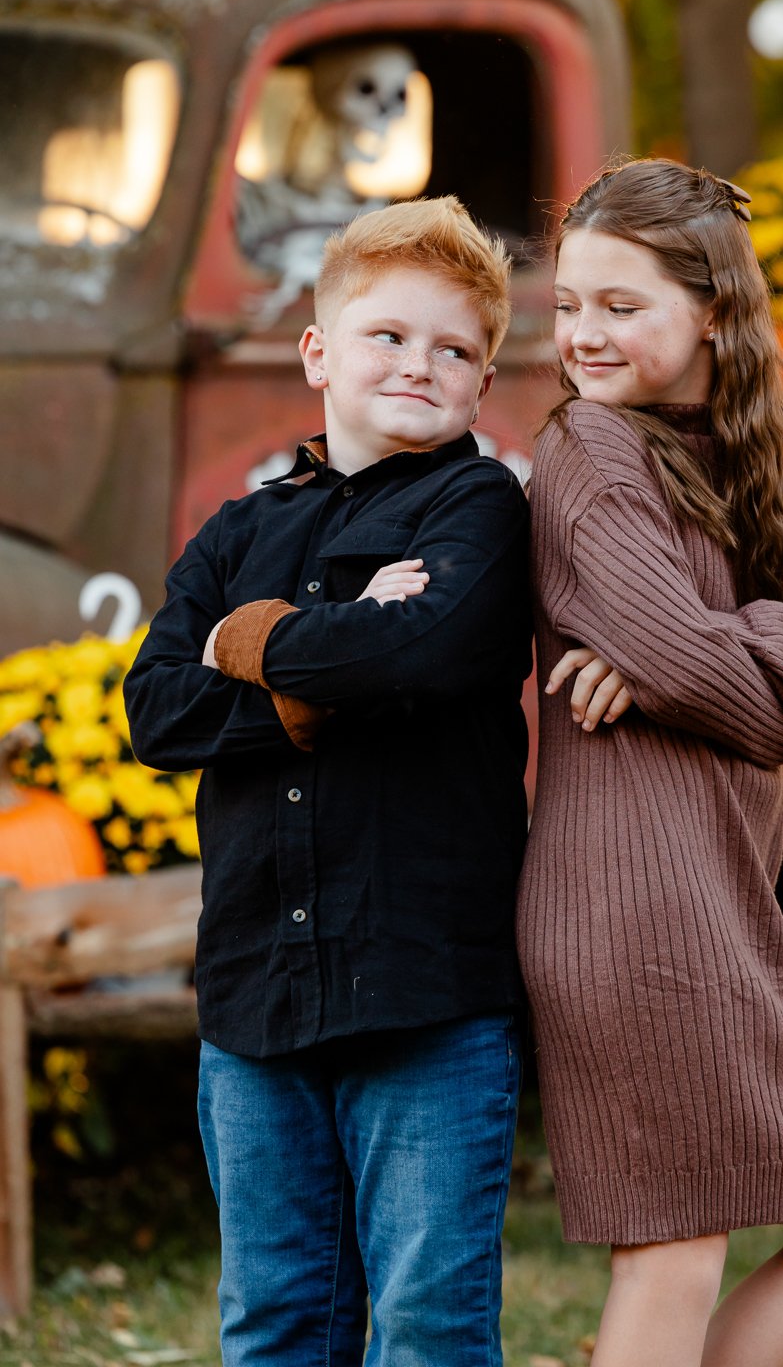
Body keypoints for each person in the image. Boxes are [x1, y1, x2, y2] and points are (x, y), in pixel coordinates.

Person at [517, 159, 783, 1367]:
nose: (581, 334)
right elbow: (682, 650)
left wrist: (702, 657)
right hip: (623, 900)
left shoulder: (777, 455)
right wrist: (681, 659)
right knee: (677, 1249)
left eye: (618, 306)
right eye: (569, 303)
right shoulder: (591, 450)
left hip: (725, 891)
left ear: (712, 310)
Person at [124, 196, 532, 1367]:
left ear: (482, 378)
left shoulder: (479, 508)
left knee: (426, 1326)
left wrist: (242, 645)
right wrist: (334, 637)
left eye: (455, 350)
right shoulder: (236, 532)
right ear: (319, 353)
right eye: (389, 336)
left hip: (423, 987)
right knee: (275, 1324)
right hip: (253, 991)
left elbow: (424, 649)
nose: (420, 365)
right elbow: (154, 710)